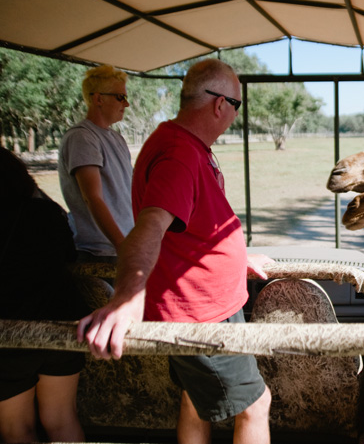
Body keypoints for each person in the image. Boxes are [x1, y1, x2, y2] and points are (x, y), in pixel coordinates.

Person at [78, 59, 273, 444]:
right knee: (256, 404)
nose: (235, 115)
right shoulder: (179, 154)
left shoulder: (180, 143)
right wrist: (126, 297)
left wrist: (234, 257)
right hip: (201, 314)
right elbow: (149, 228)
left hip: (196, 303)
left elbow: (191, 223)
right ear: (220, 105)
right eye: (237, 106)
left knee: (194, 399)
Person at [0, 147, 90, 443]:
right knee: (62, 420)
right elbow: (70, 254)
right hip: (61, 325)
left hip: (9, 333)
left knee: (17, 428)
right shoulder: (47, 212)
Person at [58, 65, 134, 263]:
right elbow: (92, 197)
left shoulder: (117, 139)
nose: (126, 104)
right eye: (120, 97)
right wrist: (121, 245)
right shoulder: (82, 137)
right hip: (101, 253)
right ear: (98, 98)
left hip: (123, 246)